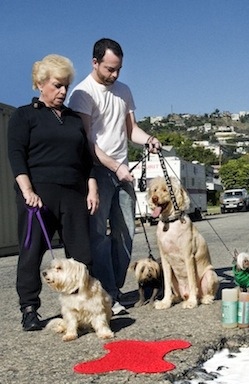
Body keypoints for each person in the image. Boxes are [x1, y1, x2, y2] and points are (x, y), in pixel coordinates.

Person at [69, 38, 161, 314]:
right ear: (94, 62)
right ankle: (108, 294)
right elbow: (87, 142)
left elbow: (131, 130)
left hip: (123, 171)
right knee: (98, 235)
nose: (115, 75)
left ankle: (116, 288)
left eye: (118, 69)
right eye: (109, 69)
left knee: (125, 233)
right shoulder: (82, 94)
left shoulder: (123, 90)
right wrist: (114, 166)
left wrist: (148, 140)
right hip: (97, 171)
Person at [7, 54, 98, 331]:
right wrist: (27, 190)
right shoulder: (24, 115)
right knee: (32, 252)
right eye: (57, 86)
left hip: (73, 193)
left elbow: (86, 158)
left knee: (82, 254)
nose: (62, 92)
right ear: (40, 84)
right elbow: (16, 154)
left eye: (66, 86)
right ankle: (29, 308)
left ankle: (83, 305)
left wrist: (91, 188)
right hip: (38, 195)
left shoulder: (72, 119)